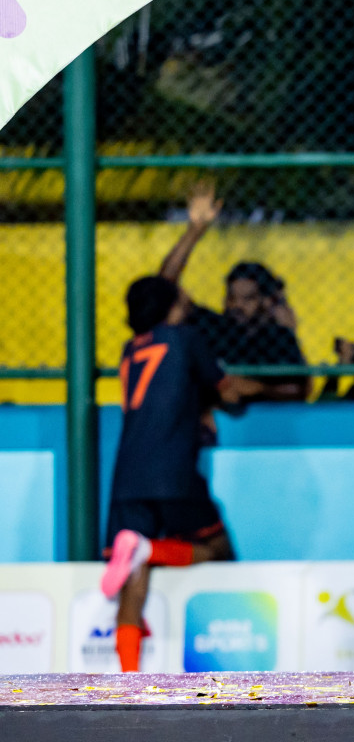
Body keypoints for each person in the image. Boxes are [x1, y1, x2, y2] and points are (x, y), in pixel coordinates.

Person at [99, 276, 262, 671]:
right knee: (218, 548)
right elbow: (228, 389)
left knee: (133, 574)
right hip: (171, 470)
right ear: (171, 303)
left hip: (126, 479)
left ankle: (127, 681)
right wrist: (274, 387)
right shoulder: (184, 337)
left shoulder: (130, 348)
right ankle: (152, 550)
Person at [159, 182, 308, 400]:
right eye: (231, 297)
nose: (236, 305)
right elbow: (164, 288)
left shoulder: (278, 338)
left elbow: (300, 390)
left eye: (247, 298)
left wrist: (253, 388)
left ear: (266, 301)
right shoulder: (216, 328)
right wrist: (195, 230)